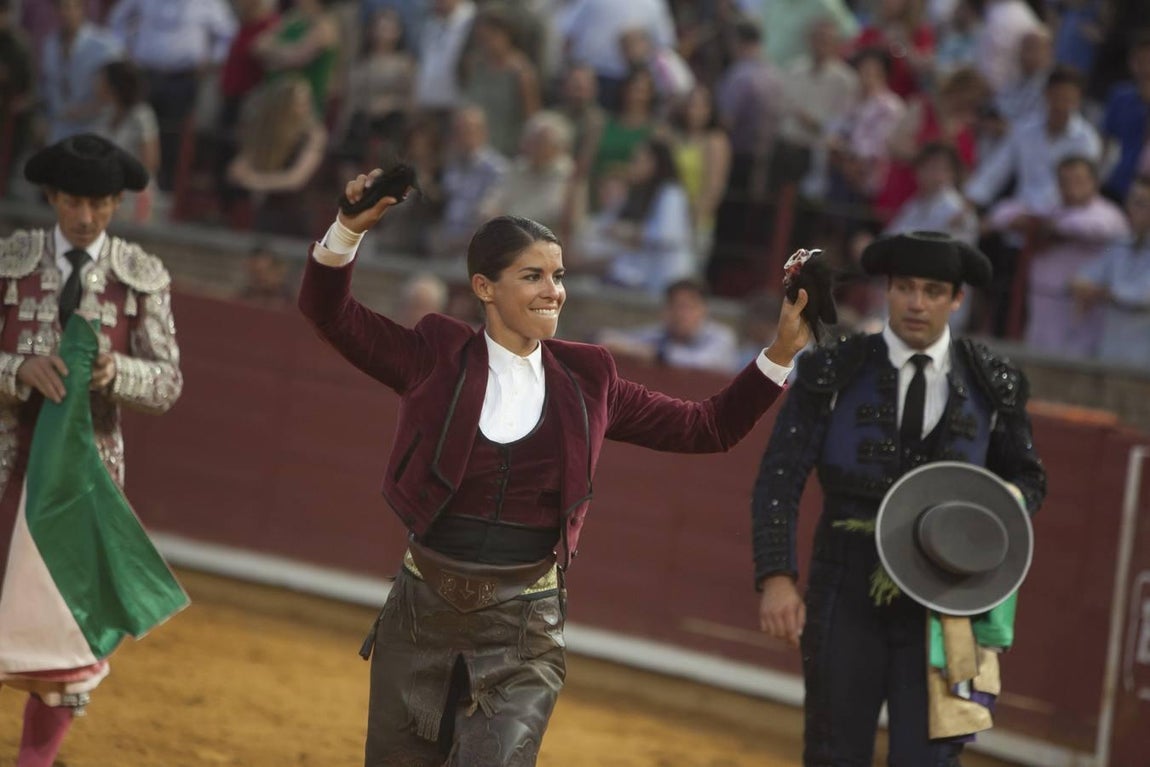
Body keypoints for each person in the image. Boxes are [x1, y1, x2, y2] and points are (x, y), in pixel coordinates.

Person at [297, 168, 811, 767]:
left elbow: (709, 426)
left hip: (523, 630)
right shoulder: (434, 354)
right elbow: (330, 315)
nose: (553, 290)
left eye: (559, 276)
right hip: (422, 619)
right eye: (533, 276)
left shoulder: (590, 378)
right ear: (485, 288)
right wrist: (345, 232)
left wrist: (780, 353)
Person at [751, 230, 1046, 766]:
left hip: (946, 598)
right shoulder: (833, 370)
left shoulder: (991, 382)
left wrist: (994, 506)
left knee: (927, 759)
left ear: (957, 299)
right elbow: (780, 477)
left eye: (934, 291)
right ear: (887, 291)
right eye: (905, 287)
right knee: (833, 751)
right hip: (845, 583)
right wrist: (777, 578)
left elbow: (1029, 483)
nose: (917, 302)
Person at [0, 133, 184, 767]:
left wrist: (115, 375)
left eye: (101, 204)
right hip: (5, 468)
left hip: (82, 482)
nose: (86, 218)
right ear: (51, 196)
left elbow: (166, 384)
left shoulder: (143, 277)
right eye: (75, 202)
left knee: (65, 634)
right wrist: (16, 370)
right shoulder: (9, 261)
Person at [1072, 174, 1150, 368]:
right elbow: (1086, 274)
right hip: (1112, 348)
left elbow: (1142, 297)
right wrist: (1082, 285)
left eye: (1141, 203)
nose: (1132, 209)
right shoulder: (1120, 243)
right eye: (1131, 201)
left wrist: (1103, 293)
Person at [599, 278, 739, 373]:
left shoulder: (721, 337)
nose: (680, 314)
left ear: (703, 310)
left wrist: (656, 354)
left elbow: (700, 363)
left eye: (688, 307)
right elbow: (611, 338)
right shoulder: (661, 334)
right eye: (674, 306)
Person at [40, 0, 124, 143]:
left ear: (82, 9)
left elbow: (119, 90)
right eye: (61, 8)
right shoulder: (50, 44)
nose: (66, 13)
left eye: (71, 7)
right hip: (58, 130)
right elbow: (47, 85)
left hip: (94, 129)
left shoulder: (104, 45)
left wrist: (87, 109)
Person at [93, 58, 159, 223]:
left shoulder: (142, 116)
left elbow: (150, 162)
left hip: (133, 196)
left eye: (101, 81)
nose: (96, 85)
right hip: (103, 193)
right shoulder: (104, 114)